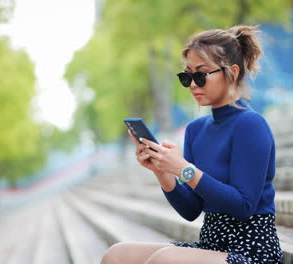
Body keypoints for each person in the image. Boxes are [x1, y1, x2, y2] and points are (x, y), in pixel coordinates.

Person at [101, 25, 283, 264]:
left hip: (251, 251)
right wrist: (163, 171)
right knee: (118, 254)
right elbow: (191, 210)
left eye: (201, 75)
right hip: (210, 246)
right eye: (187, 77)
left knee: (165, 259)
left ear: (233, 72)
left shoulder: (251, 125)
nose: (193, 85)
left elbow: (243, 206)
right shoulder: (196, 130)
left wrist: (183, 169)